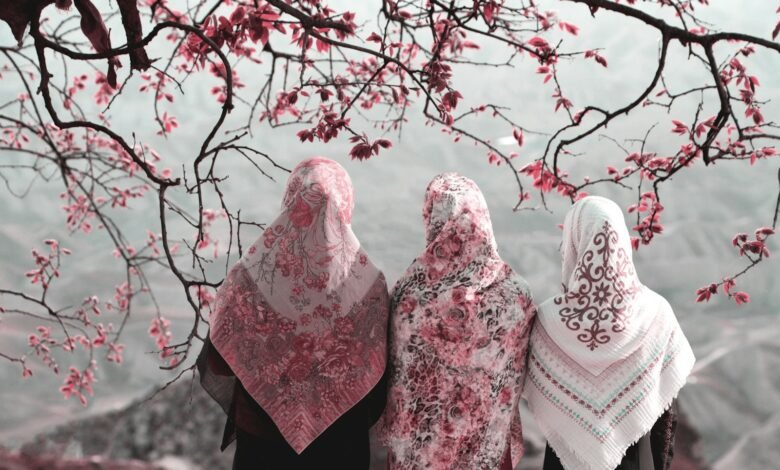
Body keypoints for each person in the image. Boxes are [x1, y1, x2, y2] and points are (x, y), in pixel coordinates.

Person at [196, 157, 390, 469]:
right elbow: (379, 376)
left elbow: (218, 364)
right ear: (345, 205)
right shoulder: (370, 286)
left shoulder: (248, 277)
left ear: (290, 200)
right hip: (341, 449)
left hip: (263, 449)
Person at [377, 173, 537, 470]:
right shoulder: (515, 294)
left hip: (418, 457)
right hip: (487, 455)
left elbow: (396, 377)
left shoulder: (409, 296)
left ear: (432, 219)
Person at [523, 195, 695, 470]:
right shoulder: (656, 313)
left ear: (573, 243)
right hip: (638, 461)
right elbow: (667, 416)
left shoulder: (547, 319)